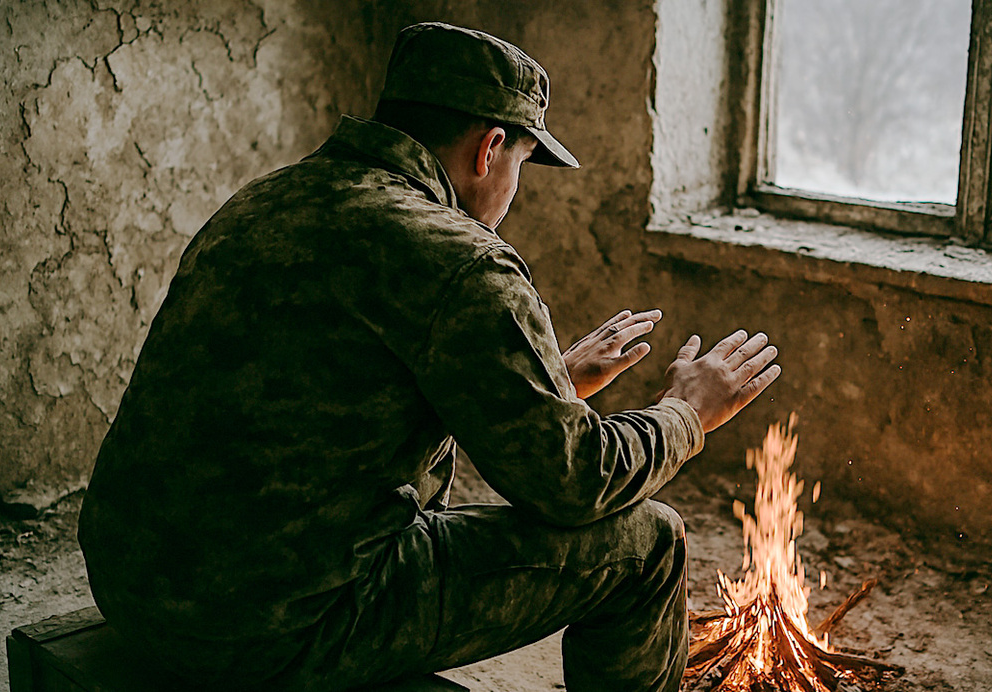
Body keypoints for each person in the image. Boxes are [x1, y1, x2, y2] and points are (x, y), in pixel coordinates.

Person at [77, 22, 780, 692]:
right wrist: (686, 411)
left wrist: (551, 383)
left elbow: (324, 399)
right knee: (649, 545)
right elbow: (571, 485)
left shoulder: (263, 201)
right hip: (269, 627)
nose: (514, 186)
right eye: (521, 163)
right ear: (489, 149)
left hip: (137, 586)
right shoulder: (461, 260)